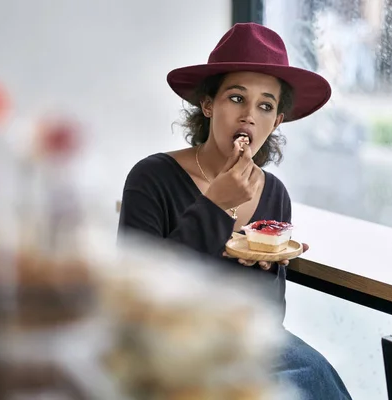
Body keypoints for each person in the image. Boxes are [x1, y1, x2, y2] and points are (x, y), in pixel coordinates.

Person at [118, 22, 352, 399]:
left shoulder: (274, 193)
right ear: (208, 104)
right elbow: (135, 300)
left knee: (316, 377)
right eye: (236, 98)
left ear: (276, 122)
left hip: (250, 347)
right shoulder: (151, 177)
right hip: (167, 353)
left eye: (265, 106)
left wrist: (267, 263)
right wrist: (216, 205)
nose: (250, 117)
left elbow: (265, 317)